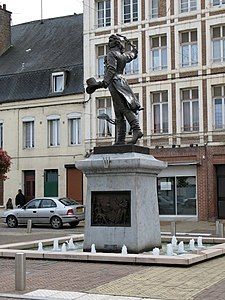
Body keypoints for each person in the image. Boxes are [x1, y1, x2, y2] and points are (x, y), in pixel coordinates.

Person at [86, 34, 143, 145]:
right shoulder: (122, 55)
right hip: (121, 81)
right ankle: (120, 139)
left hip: (114, 83)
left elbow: (111, 69)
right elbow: (132, 55)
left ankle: (136, 129)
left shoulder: (111, 54)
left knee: (122, 108)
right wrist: (134, 50)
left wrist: (104, 82)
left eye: (111, 41)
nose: (109, 42)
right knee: (118, 111)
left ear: (115, 43)